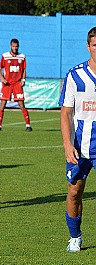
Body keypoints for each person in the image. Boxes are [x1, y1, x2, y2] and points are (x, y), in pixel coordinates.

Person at [59, 27, 96, 252]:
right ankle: (75, 236)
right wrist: (66, 143)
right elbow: (65, 112)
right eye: (95, 45)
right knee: (74, 192)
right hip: (80, 147)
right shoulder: (75, 75)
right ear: (88, 46)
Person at [0, 38, 32, 132]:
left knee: (21, 104)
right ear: (10, 46)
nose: (15, 48)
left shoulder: (22, 57)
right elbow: (0, 68)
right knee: (2, 104)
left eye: (16, 47)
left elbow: (24, 70)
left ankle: (28, 125)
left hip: (17, 83)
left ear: (18, 46)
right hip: (7, 84)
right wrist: (2, 78)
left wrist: (23, 80)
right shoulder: (5, 56)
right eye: (13, 46)